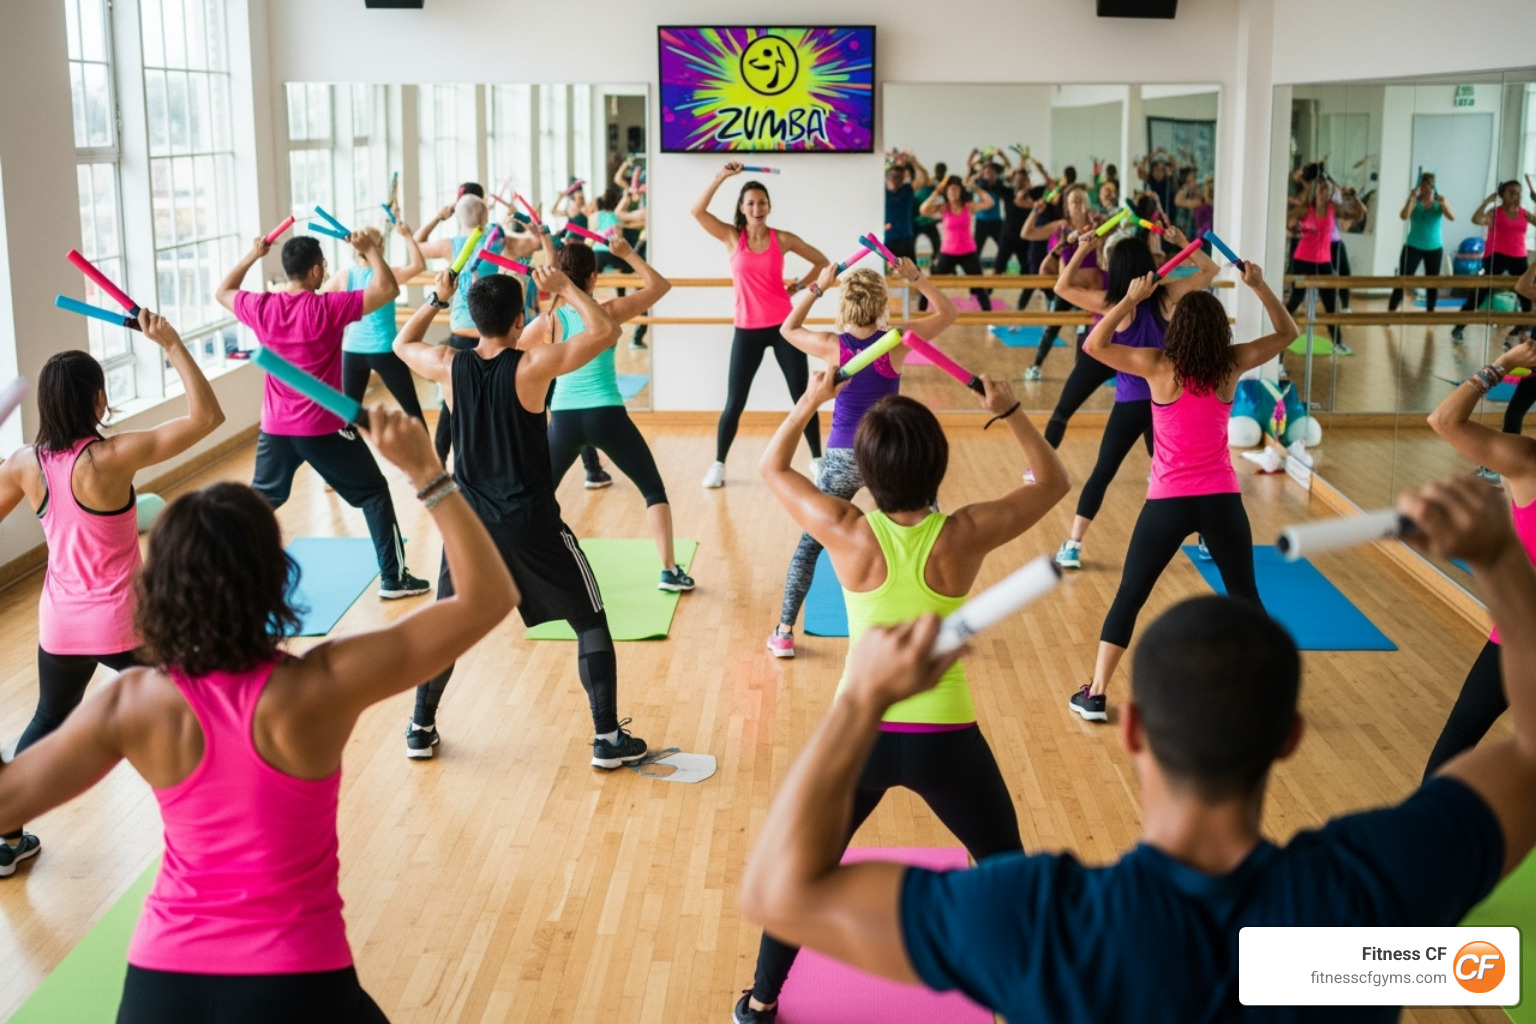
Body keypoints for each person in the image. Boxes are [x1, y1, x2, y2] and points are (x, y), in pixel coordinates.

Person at [738, 472, 1535, 1024]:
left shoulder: (1038, 926)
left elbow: (779, 893)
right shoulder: (1360, 906)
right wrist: (1502, 559)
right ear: (1288, 739)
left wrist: (864, 700)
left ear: (1131, 729)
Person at [0, 406, 516, 1021]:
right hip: (295, 980)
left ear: (159, 589)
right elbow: (490, 597)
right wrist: (429, 475)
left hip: (164, 985)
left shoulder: (132, 703)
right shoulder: (321, 687)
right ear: (275, 577)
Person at [733, 367, 1069, 1024]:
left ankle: (760, 1003)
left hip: (860, 736)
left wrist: (811, 398)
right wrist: (1009, 410)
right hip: (947, 738)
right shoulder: (964, 533)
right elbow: (1055, 483)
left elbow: (774, 467)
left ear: (863, 468)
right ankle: (1021, 1000)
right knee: (1004, 869)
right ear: (939, 463)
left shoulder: (847, 529)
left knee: (802, 872)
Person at [392, 265, 650, 769]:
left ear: (476, 317)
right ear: (519, 319)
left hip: (468, 529)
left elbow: (404, 344)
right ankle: (606, 739)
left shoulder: (448, 363)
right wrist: (567, 289)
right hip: (531, 524)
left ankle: (420, 727)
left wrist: (436, 299)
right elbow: (606, 332)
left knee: (447, 627)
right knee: (590, 618)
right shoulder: (532, 365)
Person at [0, 313, 224, 876]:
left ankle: (5, 833)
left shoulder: (25, 464)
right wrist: (170, 342)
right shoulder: (111, 457)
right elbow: (208, 417)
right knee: (195, 697)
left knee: (49, 719)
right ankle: (220, 812)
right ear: (97, 400)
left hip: (61, 625)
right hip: (124, 622)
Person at [1072, 262, 1299, 721]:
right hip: (1222, 501)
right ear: (1219, 331)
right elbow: (1287, 332)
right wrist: (1258, 286)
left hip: (1167, 504)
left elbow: (1094, 344)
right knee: (1246, 598)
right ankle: (1266, 692)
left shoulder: (1158, 365)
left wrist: (1131, 301)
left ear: (1178, 330)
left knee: (1130, 596)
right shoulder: (1230, 363)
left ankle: (1095, 693)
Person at [216, 232, 429, 600]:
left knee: (257, 506)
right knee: (375, 492)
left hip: (275, 429)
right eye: (323, 268)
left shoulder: (263, 306)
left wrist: (253, 254)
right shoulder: (327, 307)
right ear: (315, 271)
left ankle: (225, 578)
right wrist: (371, 251)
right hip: (323, 427)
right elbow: (388, 289)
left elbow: (223, 290)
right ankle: (394, 579)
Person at [766, 257, 958, 658]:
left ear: (846, 304)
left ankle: (784, 631)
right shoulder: (898, 341)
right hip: (889, 452)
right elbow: (949, 312)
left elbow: (787, 329)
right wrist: (916, 278)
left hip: (842, 455)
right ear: (881, 304)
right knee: (930, 530)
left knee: (811, 543)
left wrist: (818, 286)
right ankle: (936, 629)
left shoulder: (834, 346)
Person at [523, 236, 694, 591]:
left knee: (538, 496)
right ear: (594, 278)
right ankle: (668, 571)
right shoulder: (610, 312)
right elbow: (660, 286)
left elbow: (507, 353)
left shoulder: (547, 323)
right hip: (607, 415)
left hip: (564, 421)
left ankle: (524, 570)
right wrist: (628, 253)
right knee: (652, 489)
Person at [1049, 229, 1219, 571]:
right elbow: (1210, 271)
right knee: (1182, 469)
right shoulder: (1168, 295)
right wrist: (1184, 243)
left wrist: (1082, 250)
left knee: (1104, 471)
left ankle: (1073, 544)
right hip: (1166, 401)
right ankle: (1206, 538)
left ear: (1117, 270)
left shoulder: (1112, 304)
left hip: (1130, 405)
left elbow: (1061, 288)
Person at [1423, 338, 1536, 775]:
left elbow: (1443, 419)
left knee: (1460, 734)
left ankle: (1422, 833)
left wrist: (1504, 363)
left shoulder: (1526, 461)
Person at [693, 163, 829, 489]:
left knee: (803, 395)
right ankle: (718, 464)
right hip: (747, 330)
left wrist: (800, 287)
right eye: (751, 203)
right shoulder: (731, 237)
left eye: (762, 203)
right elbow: (697, 211)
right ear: (742, 207)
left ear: (769, 207)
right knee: (735, 401)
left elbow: (822, 262)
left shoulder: (781, 239)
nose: (757, 208)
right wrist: (722, 176)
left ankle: (816, 459)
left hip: (785, 327)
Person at [415, 194, 541, 463]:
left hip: (462, 333)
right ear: (485, 217)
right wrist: (527, 222)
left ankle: (440, 460)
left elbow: (417, 244)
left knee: (451, 403)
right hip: (495, 333)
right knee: (499, 399)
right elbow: (536, 242)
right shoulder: (499, 240)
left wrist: (439, 216)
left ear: (459, 217)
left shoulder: (452, 245)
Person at [321, 221, 426, 423]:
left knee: (349, 417)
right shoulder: (388, 274)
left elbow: (317, 298)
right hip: (384, 350)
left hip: (352, 351)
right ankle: (430, 454)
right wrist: (407, 235)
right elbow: (419, 265)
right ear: (379, 247)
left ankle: (350, 451)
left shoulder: (344, 276)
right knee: (412, 411)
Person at [1021, 183, 1097, 380]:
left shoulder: (1098, 226)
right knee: (1052, 327)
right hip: (1067, 288)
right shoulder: (1061, 228)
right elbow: (1027, 233)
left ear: (1088, 204)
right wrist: (1035, 212)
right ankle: (1036, 365)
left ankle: (1080, 375)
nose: (1078, 204)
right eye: (1074, 201)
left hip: (1089, 288)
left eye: (1082, 200)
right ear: (1067, 206)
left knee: (1084, 330)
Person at [1284, 176, 1365, 355]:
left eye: (1327, 188)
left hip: (1324, 261)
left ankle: (1338, 342)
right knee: (1296, 300)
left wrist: (1355, 199)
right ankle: (1280, 337)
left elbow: (1358, 215)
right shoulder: (1306, 209)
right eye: (1321, 188)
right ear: (1314, 191)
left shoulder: (1332, 208)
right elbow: (1287, 220)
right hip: (1304, 260)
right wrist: (1295, 229)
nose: (1325, 191)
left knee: (1330, 302)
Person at [1458, 180, 1536, 348]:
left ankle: (1516, 332)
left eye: (1518, 192)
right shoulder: (1495, 213)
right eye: (1511, 192)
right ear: (1503, 194)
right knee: (1480, 293)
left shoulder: (1524, 214)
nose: (1515, 196)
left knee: (1526, 298)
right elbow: (1476, 219)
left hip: (1518, 256)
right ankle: (1459, 327)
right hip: (1496, 255)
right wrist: (1487, 202)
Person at [917, 175, 994, 310]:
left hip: (968, 252)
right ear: (946, 192)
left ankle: (989, 317)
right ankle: (920, 311)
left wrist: (974, 187)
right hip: (948, 253)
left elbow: (989, 202)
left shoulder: (968, 207)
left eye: (956, 190)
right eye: (950, 190)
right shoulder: (943, 208)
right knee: (932, 283)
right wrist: (938, 191)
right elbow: (923, 210)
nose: (953, 193)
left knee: (979, 284)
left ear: (960, 192)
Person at [1387, 173, 1454, 315]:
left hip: (1434, 248)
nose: (1426, 188)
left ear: (1433, 186)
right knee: (1402, 279)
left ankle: (1430, 312)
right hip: (1413, 246)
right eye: (1423, 185)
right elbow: (1403, 216)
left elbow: (1452, 217)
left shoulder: (1438, 203)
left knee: (1432, 283)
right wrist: (1410, 200)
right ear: (1419, 187)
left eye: (1429, 184)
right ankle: (1391, 311)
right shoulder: (1414, 202)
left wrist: (1444, 203)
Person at [882, 163, 917, 263]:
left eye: (897, 176)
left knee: (912, 271)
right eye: (891, 176)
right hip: (887, 238)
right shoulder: (881, 191)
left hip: (905, 238)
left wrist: (908, 161)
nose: (893, 178)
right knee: (887, 273)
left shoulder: (907, 190)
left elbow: (923, 179)